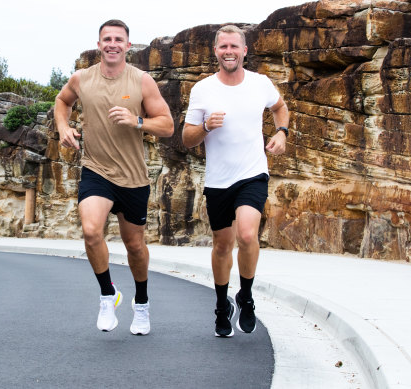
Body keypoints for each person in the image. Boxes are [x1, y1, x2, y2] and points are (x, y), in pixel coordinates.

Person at [54, 19, 174, 335]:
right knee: (91, 230)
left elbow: (167, 125)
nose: (112, 44)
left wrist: (137, 121)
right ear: (99, 44)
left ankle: (142, 304)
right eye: (106, 39)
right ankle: (108, 294)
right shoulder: (81, 79)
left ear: (127, 45)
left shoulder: (142, 81)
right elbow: (62, 102)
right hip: (96, 170)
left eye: (118, 39)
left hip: (133, 177)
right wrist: (64, 128)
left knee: (135, 245)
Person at [182, 25, 289, 337]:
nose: (228, 51)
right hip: (218, 181)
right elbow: (187, 139)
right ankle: (221, 305)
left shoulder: (260, 84)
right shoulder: (202, 89)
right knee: (221, 245)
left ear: (244, 51)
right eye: (223, 46)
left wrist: (281, 133)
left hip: (252, 174)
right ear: (216, 52)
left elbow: (280, 108)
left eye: (234, 46)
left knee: (246, 234)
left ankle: (246, 296)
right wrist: (204, 127)